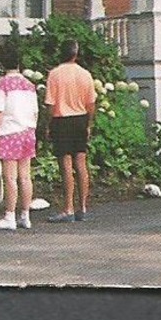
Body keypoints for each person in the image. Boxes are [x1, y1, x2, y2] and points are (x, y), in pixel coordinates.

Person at [0, 43, 39, 230]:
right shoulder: (29, 85)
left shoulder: (1, 86)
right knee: (25, 176)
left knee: (10, 177)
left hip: (9, 132)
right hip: (28, 132)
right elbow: (35, 112)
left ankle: (9, 215)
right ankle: (25, 214)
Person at [44, 39, 97, 223]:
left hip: (61, 119)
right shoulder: (85, 75)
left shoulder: (55, 74)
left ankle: (68, 208)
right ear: (76, 54)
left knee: (66, 164)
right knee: (81, 162)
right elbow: (91, 103)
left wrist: (49, 124)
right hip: (81, 118)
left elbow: (50, 104)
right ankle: (82, 207)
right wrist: (88, 124)